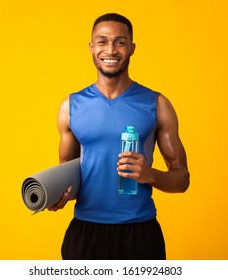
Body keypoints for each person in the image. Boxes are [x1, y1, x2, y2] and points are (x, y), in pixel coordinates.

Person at [48, 13, 190, 260]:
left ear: (132, 48)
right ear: (92, 48)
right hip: (85, 233)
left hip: (140, 233)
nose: (110, 50)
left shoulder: (157, 104)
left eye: (119, 42)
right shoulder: (70, 107)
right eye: (102, 42)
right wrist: (57, 195)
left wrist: (151, 175)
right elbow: (67, 174)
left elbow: (182, 179)